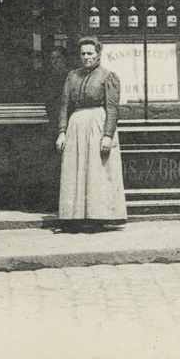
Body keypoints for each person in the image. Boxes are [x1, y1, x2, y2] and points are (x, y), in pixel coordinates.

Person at [55, 37, 127, 230]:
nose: (86, 57)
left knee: (97, 170)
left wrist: (107, 135)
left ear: (98, 55)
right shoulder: (72, 76)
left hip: (97, 124)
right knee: (75, 169)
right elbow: (64, 106)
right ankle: (75, 216)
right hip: (76, 126)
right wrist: (62, 132)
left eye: (90, 53)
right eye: (83, 54)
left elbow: (112, 109)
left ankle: (98, 215)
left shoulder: (108, 76)